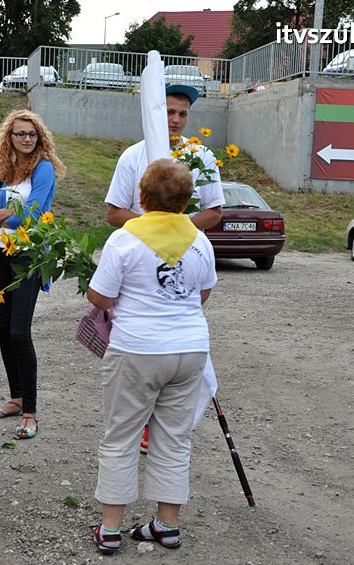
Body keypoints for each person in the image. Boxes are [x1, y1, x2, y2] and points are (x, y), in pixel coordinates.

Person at [88, 159, 217, 555]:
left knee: (121, 436)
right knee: (174, 438)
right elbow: (203, 293)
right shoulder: (200, 239)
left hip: (138, 349)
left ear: (142, 198)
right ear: (186, 202)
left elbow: (100, 296)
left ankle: (111, 530)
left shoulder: (125, 239)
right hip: (190, 349)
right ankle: (167, 524)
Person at [104, 83, 225, 453]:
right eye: (169, 112)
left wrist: (178, 232)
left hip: (184, 260)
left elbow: (214, 212)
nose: (176, 120)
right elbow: (114, 212)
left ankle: (164, 427)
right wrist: (152, 231)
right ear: (155, 114)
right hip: (140, 263)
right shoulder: (133, 156)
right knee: (140, 351)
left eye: (182, 114)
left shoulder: (200, 156)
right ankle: (138, 423)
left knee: (176, 344)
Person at [0, 110, 66, 440]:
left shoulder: (44, 169)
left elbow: (32, 215)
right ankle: (16, 398)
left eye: (32, 134)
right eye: (20, 134)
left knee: (19, 332)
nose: (26, 139)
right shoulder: (3, 170)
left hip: (28, 258)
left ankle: (30, 412)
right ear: (9, 138)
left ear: (39, 137)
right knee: (3, 331)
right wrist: (3, 215)